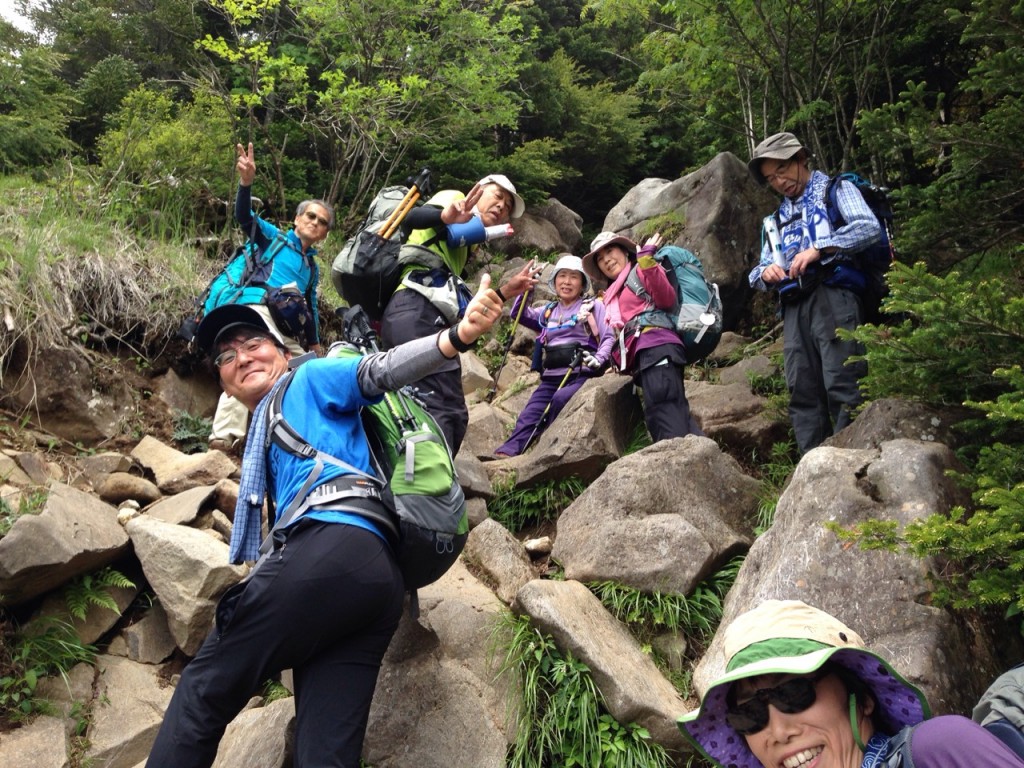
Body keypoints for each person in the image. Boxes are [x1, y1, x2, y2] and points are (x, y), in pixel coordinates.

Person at [146, 277, 505, 768]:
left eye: (253, 344)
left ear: (280, 350)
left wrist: (457, 337)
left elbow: (375, 372)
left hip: (331, 547)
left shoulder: (309, 378)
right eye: (227, 356)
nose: (242, 357)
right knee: (325, 753)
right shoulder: (269, 428)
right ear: (222, 380)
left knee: (203, 688)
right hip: (375, 583)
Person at [678, 599, 1024, 768]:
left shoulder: (938, 750)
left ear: (862, 697)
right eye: (749, 713)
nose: (779, 731)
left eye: (792, 693)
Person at [748, 132, 881, 454]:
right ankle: (812, 467)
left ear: (800, 159)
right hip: (794, 304)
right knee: (802, 388)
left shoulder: (836, 190)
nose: (779, 182)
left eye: (782, 170)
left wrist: (819, 249)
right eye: (770, 178)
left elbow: (868, 226)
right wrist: (764, 273)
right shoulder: (776, 219)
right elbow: (758, 271)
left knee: (842, 379)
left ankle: (850, 461)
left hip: (833, 293)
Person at [380, 174, 530, 454]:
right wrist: (447, 215)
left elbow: (456, 301)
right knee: (441, 406)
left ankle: (414, 478)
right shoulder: (455, 198)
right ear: (480, 189)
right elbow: (411, 217)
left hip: (422, 313)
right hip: (415, 309)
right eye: (498, 196)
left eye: (508, 206)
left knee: (437, 408)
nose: (502, 207)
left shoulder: (465, 243)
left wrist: (506, 291)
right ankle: (428, 485)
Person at [205, 142, 334, 452]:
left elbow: (311, 307)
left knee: (302, 366)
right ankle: (224, 438)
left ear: (325, 234)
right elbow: (244, 217)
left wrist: (315, 345)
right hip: (254, 309)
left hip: (279, 322)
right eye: (311, 217)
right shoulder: (273, 238)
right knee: (248, 361)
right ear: (297, 219)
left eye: (322, 222)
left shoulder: (311, 267)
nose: (315, 223)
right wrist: (246, 183)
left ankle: (288, 433)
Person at [581, 230, 704, 442]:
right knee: (676, 414)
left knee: (663, 416)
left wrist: (647, 263)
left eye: (610, 251)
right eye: (600, 259)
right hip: (651, 355)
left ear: (625, 252)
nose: (606, 260)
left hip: (657, 348)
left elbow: (666, 300)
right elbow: (627, 334)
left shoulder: (640, 270)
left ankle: (676, 468)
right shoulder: (615, 292)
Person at [494, 254, 614, 457]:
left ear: (582, 283)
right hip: (550, 377)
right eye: (562, 276)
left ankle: (546, 449)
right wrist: (527, 289)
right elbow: (519, 314)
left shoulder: (593, 307)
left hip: (580, 373)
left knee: (560, 399)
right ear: (554, 280)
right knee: (530, 413)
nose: (567, 282)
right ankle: (507, 453)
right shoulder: (548, 311)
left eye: (574, 277)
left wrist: (600, 359)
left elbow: (608, 336)